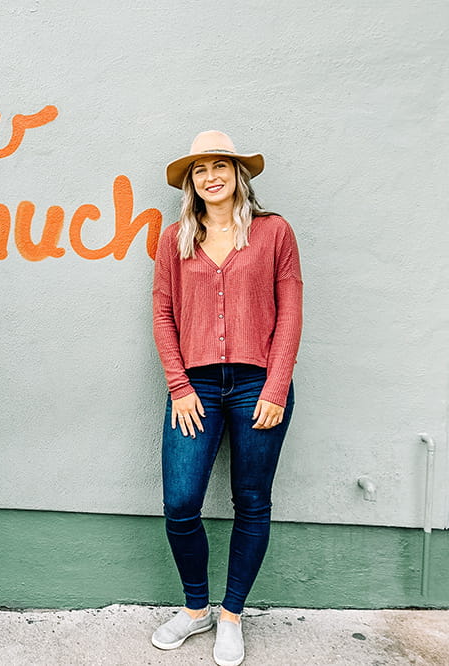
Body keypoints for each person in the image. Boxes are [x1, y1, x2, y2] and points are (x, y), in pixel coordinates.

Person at [149, 131, 302, 666]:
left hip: (259, 383)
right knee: (180, 503)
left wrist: (278, 386)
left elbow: (290, 312)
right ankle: (197, 611)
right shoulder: (175, 239)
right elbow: (163, 315)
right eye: (200, 169)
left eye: (221, 165)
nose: (211, 175)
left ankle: (232, 616)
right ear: (191, 183)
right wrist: (179, 386)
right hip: (196, 387)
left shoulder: (273, 232)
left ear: (239, 174)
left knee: (252, 501)